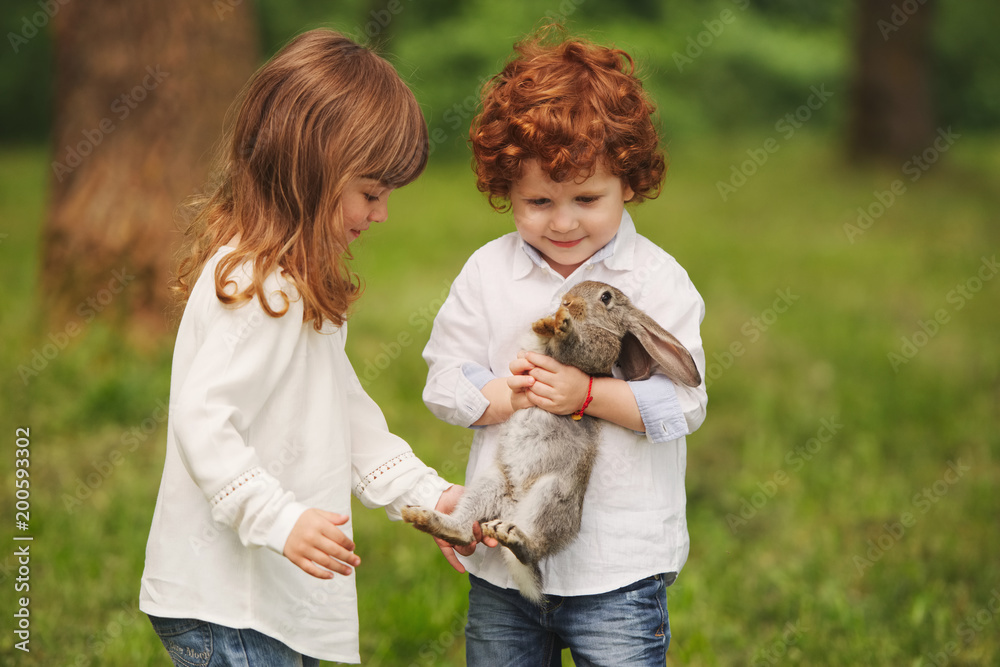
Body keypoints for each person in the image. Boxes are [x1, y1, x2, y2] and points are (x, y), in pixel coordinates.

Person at [139, 29, 462, 665]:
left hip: (268, 600)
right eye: (371, 193)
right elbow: (203, 422)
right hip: (228, 605)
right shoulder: (259, 286)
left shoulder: (293, 285)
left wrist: (428, 499)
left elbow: (346, 417)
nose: (382, 214)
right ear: (309, 173)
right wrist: (278, 519)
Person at [421, 27, 708, 665]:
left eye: (587, 198)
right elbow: (443, 378)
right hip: (503, 566)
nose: (563, 221)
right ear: (506, 191)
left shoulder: (657, 281)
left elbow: (684, 405)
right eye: (538, 201)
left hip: (620, 567)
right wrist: (501, 394)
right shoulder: (487, 274)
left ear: (628, 183)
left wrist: (590, 395)